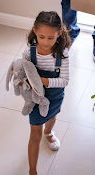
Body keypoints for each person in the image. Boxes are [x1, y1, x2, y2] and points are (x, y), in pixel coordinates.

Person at [23, 11, 71, 175]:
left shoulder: (62, 55)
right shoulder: (30, 52)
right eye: (42, 36)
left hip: (55, 95)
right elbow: (23, 72)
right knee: (34, 134)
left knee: (52, 116)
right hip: (36, 98)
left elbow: (64, 81)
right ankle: (32, 171)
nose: (45, 42)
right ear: (35, 31)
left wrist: (45, 81)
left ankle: (49, 132)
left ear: (59, 34)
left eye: (51, 38)